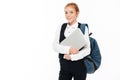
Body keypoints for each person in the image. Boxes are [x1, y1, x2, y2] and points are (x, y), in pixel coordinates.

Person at [52, 2, 90, 80]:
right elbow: (55, 46)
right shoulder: (61, 27)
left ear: (77, 13)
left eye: (71, 12)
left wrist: (72, 57)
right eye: (66, 12)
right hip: (64, 67)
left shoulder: (83, 28)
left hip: (79, 66)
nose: (68, 15)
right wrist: (69, 49)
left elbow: (87, 50)